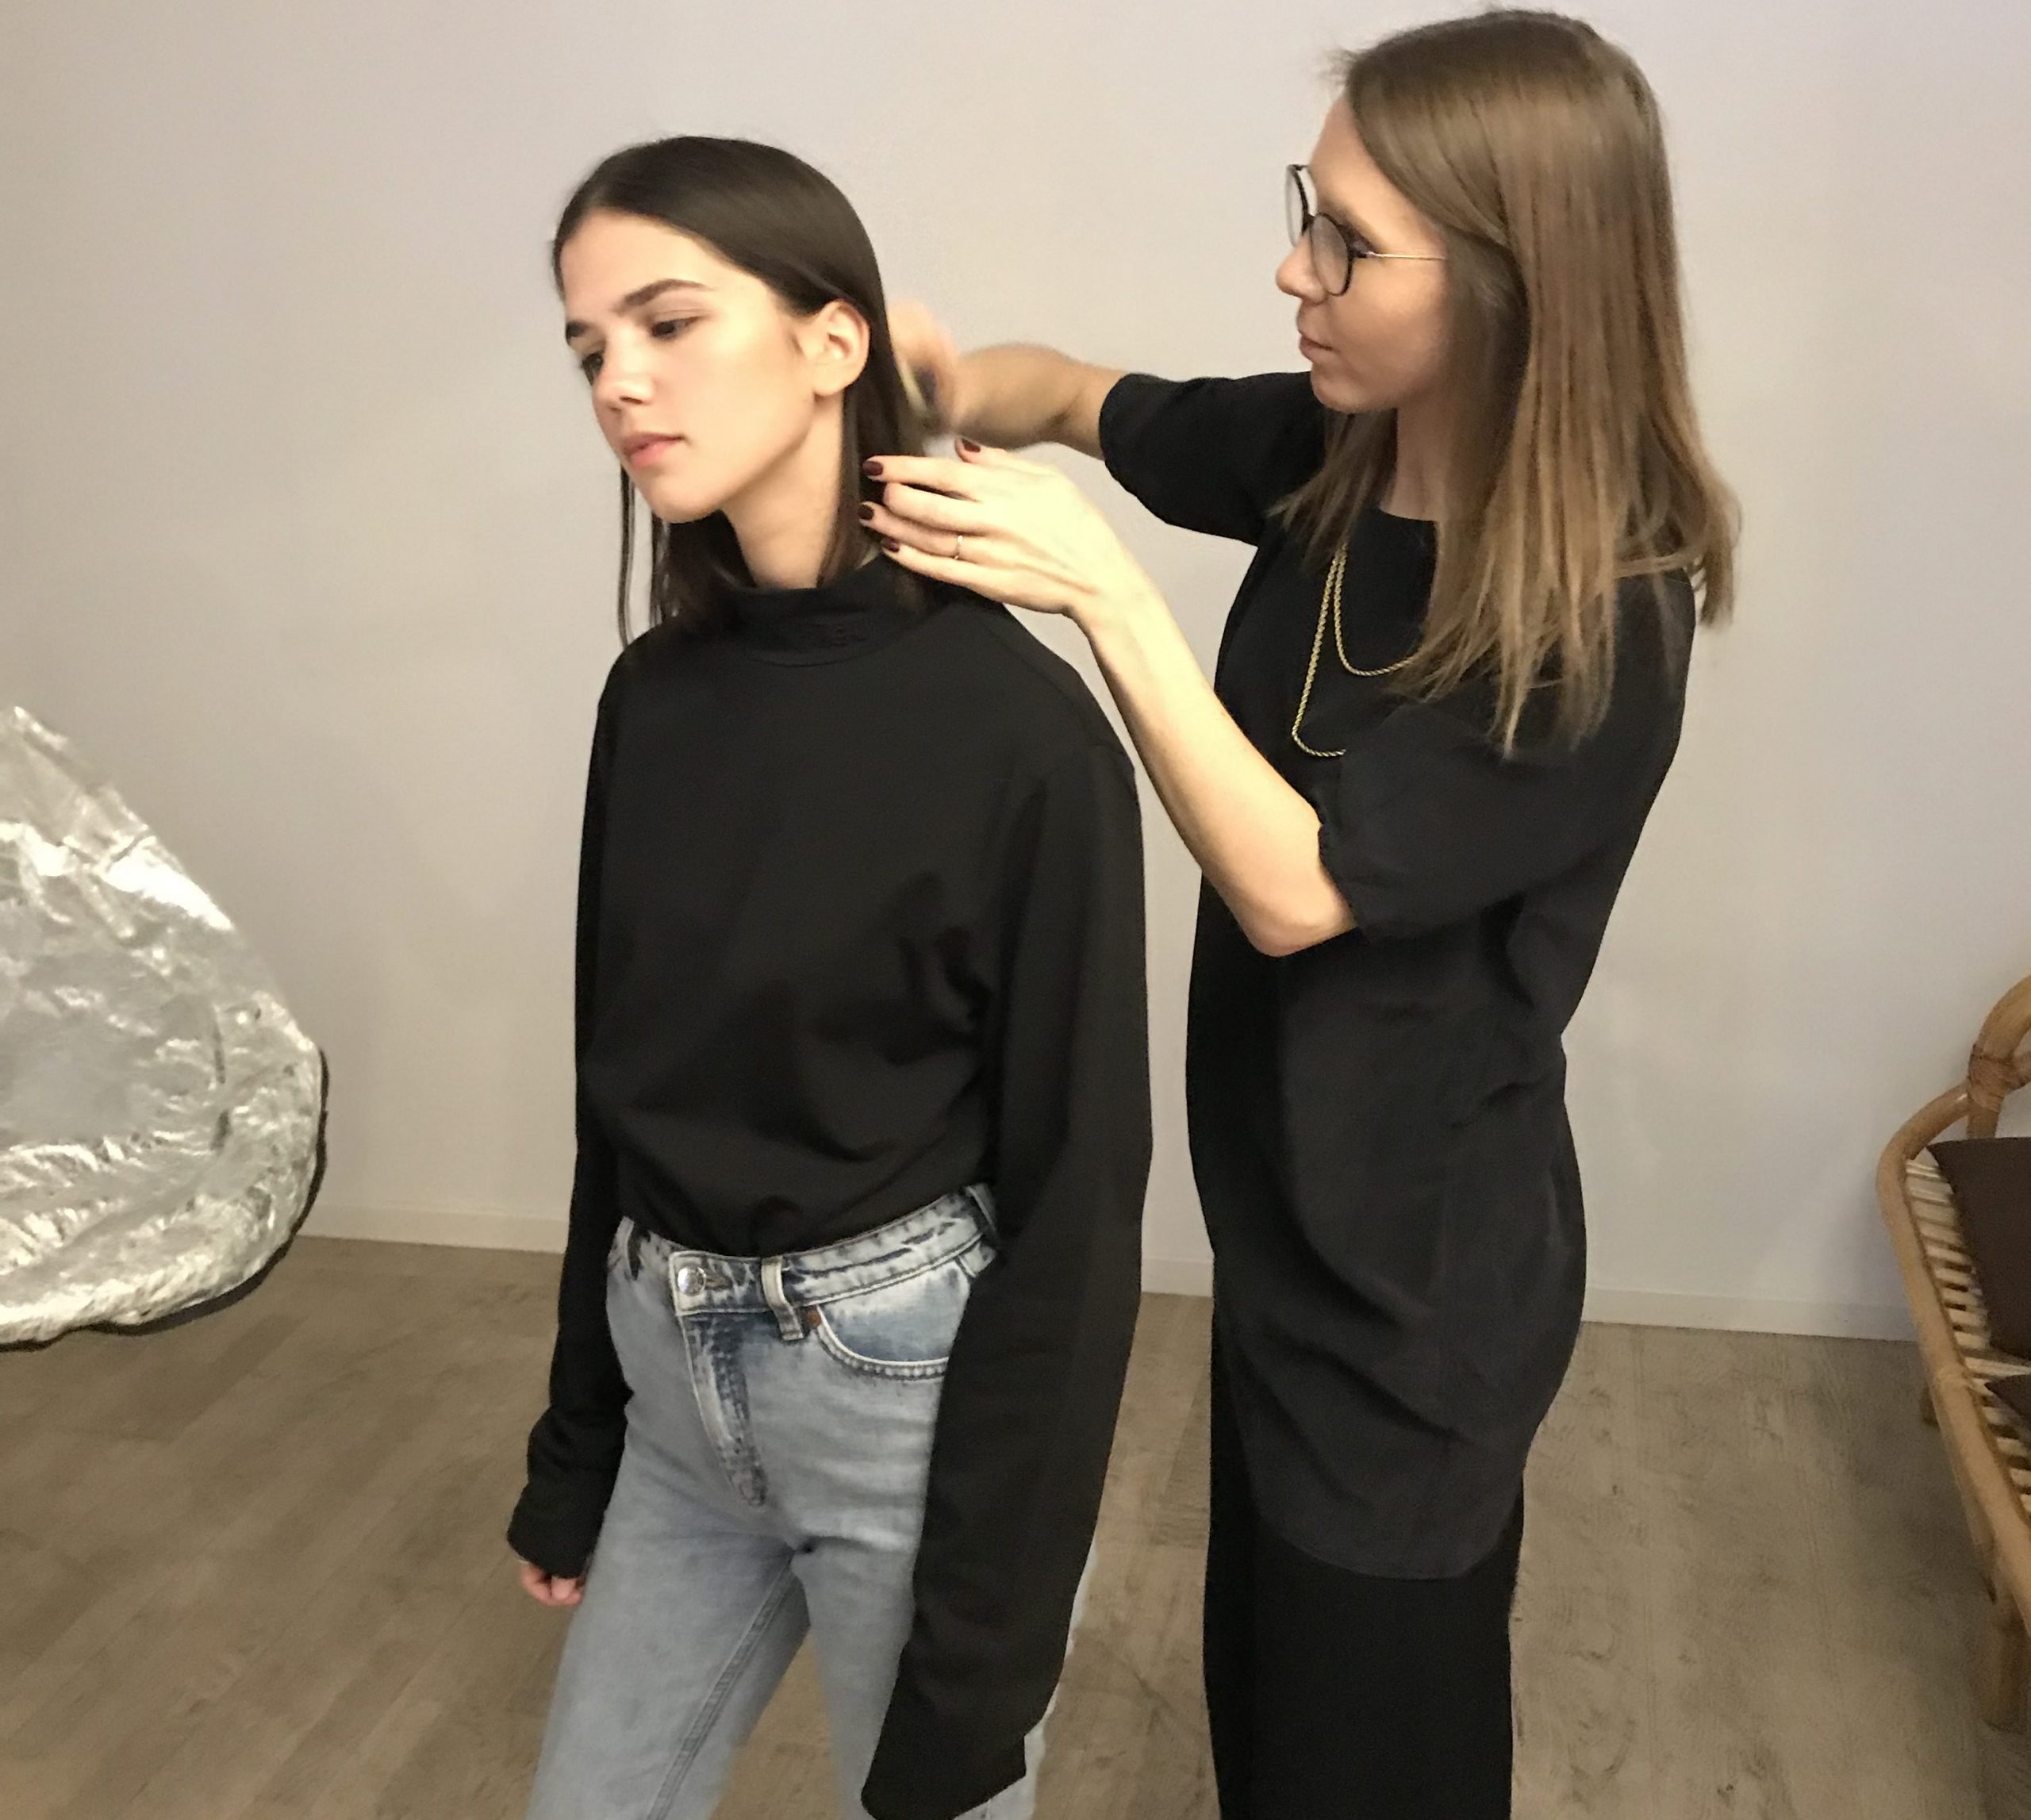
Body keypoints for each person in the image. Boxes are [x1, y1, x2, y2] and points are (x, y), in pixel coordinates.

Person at [869, 12, 1736, 1817]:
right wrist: (929, 382)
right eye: (1306, 211)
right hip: (1284, 1234)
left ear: (1510, 283)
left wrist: (1107, 597)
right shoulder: (1335, 447)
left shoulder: (1599, 618)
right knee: (1270, 1725)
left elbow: (1295, 890)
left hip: (1415, 1299)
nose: (1294, 271)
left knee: (1371, 1747)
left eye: (1349, 243)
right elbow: (1071, 392)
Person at [505, 135, 1151, 1820]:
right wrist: (577, 1440)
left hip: (898, 1401)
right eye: (589, 348)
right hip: (672, 1392)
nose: (620, 382)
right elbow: (616, 1090)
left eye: (667, 323)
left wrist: (988, 1651)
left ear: (832, 340)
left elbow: (1081, 1202)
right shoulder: (654, 699)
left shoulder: (1021, 736)